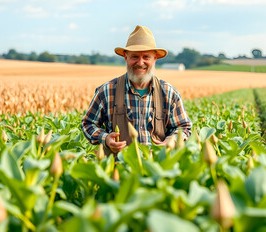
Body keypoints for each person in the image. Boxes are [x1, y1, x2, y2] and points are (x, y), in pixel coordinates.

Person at [81, 25, 192, 156]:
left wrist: (171, 140)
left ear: (155, 58)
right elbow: (88, 123)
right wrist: (105, 138)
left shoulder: (169, 93)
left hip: (157, 170)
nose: (140, 63)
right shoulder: (107, 91)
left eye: (146, 57)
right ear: (125, 57)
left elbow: (184, 127)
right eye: (134, 57)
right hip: (117, 170)